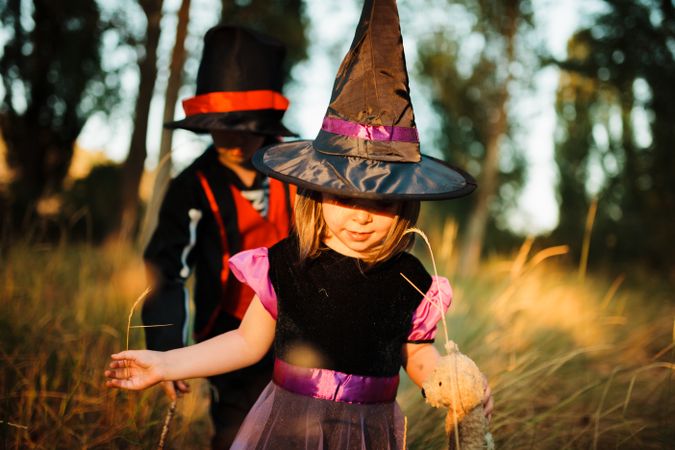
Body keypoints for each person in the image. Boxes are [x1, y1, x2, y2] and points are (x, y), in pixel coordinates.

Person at [108, 1, 494, 448]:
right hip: (270, 385)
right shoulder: (271, 250)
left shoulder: (409, 280)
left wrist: (452, 384)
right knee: (232, 421)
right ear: (317, 195)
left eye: (382, 201)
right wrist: (167, 359)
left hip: (366, 433)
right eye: (344, 196)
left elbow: (417, 355)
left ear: (408, 204)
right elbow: (224, 323)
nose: (362, 214)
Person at [141, 25, 297, 449]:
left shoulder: (303, 174)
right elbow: (166, 271)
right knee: (237, 434)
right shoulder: (192, 185)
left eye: (243, 127)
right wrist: (168, 350)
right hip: (231, 338)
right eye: (219, 127)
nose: (230, 138)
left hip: (305, 335)